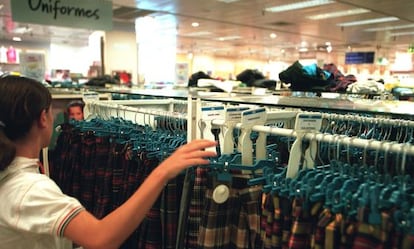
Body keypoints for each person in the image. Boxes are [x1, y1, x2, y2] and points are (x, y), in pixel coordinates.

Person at [0, 75, 217, 249]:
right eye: (51, 109)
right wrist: (163, 172)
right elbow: (101, 238)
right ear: (42, 118)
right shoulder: (29, 189)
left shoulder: (11, 175)